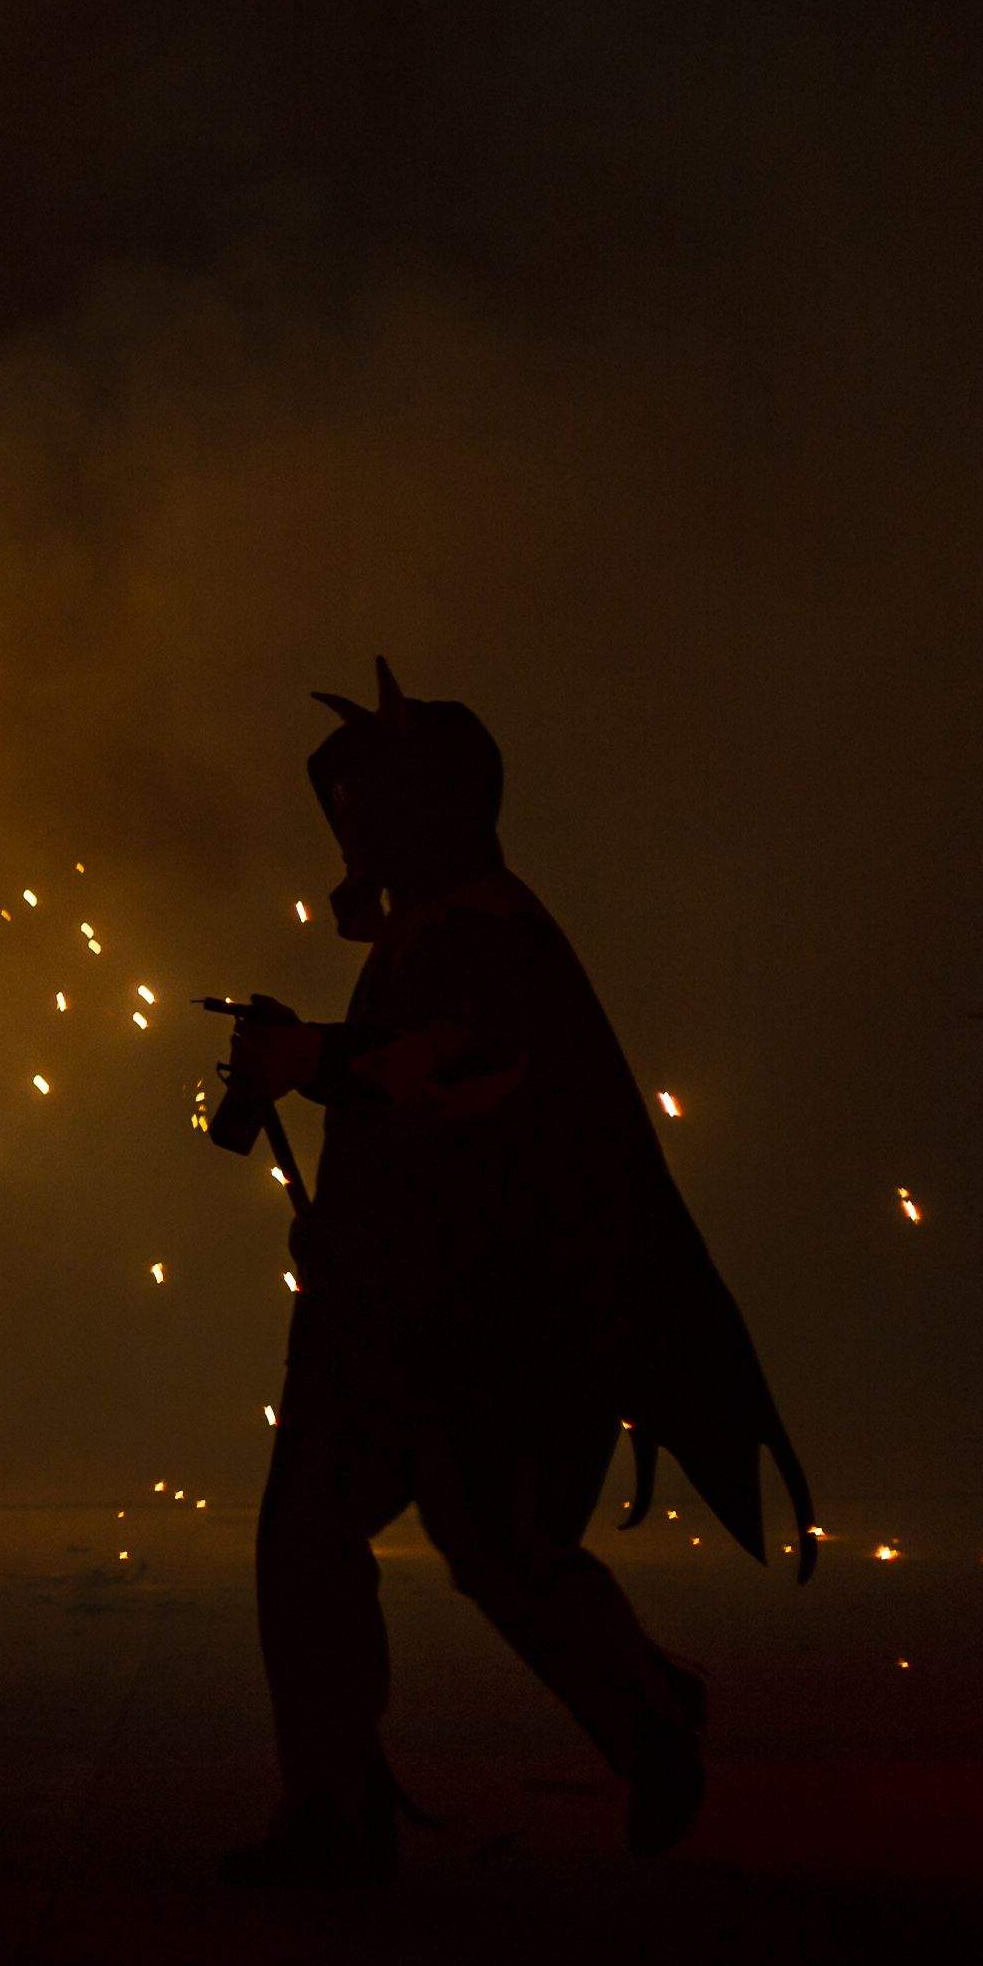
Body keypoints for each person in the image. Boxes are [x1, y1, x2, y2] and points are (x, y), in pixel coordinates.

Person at [218, 662, 809, 1889]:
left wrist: (308, 1057)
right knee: (368, 1536)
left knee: (478, 1538)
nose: (348, 835)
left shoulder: (485, 939)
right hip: (412, 1313)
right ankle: (350, 1800)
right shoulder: (448, 931)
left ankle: (633, 1710)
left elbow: (451, 1075)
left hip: (483, 1318)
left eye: (365, 812)